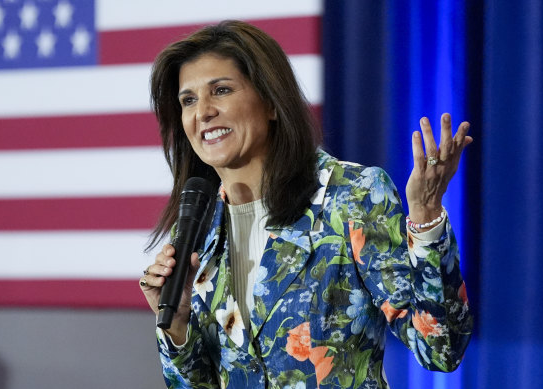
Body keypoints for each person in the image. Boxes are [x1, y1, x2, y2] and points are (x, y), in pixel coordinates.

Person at [139, 20, 473, 389]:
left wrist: (426, 221)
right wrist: (179, 325)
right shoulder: (196, 231)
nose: (202, 112)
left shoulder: (352, 195)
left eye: (221, 90)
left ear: (270, 102)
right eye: (188, 100)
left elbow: (441, 349)